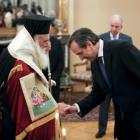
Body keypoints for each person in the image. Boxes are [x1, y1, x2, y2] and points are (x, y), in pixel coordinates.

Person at [64, 27, 140, 140]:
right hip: (123, 120)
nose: (81, 58)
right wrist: (76, 107)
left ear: (89, 44)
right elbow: (98, 93)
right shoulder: (95, 63)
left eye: (80, 53)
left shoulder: (121, 48)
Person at [0, 15, 68, 140]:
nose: (49, 46)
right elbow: (31, 113)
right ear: (31, 40)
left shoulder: (15, 50)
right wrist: (55, 107)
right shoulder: (21, 69)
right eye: (45, 41)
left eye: (49, 40)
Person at [95, 14, 133, 138]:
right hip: (106, 79)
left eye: (117, 26)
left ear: (121, 27)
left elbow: (130, 60)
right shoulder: (101, 38)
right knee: (104, 106)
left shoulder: (127, 39)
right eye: (112, 25)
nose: (114, 29)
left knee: (119, 108)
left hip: (120, 81)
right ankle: (101, 129)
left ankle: (119, 131)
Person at [43, 22, 64, 102]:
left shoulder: (57, 43)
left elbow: (60, 63)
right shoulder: (36, 43)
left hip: (54, 81)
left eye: (49, 27)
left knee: (54, 106)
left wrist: (53, 80)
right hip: (39, 82)